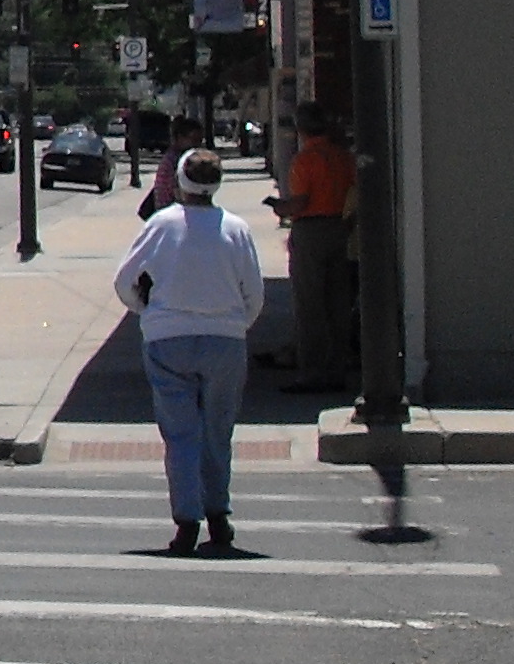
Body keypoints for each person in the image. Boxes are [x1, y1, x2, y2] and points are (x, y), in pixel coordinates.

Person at [112, 146, 267, 555]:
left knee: (181, 434)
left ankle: (186, 521)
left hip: (168, 338)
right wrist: (235, 324)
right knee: (218, 430)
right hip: (225, 340)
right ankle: (219, 515)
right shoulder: (236, 228)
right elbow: (254, 293)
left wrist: (146, 310)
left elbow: (124, 279)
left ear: (181, 181)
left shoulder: (162, 224)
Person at [265, 102, 358, 394]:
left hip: (310, 230)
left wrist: (279, 207)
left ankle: (311, 372)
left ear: (300, 129)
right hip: (340, 227)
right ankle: (337, 368)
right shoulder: (344, 158)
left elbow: (300, 202)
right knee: (338, 304)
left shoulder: (305, 160)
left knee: (309, 305)